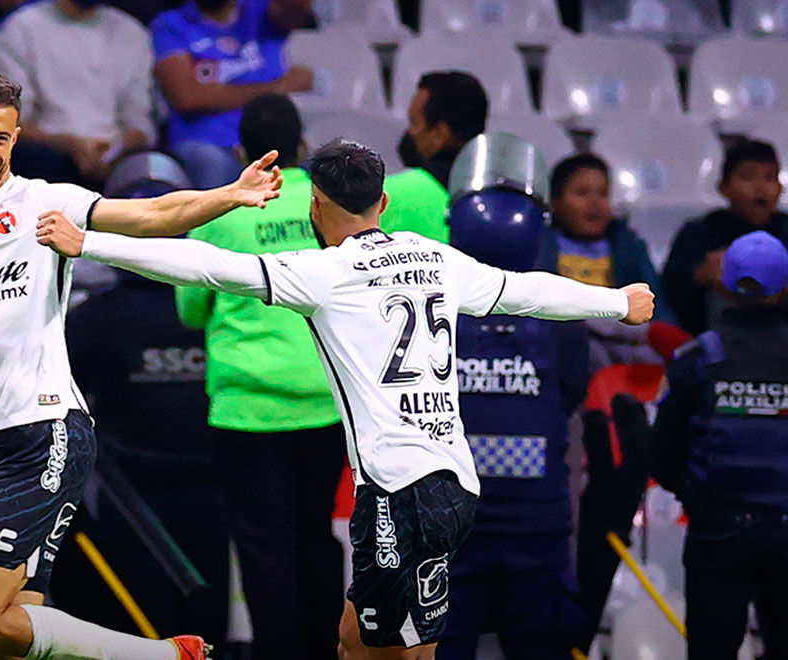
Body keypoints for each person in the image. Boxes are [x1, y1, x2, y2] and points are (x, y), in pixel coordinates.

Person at [36, 139, 655, 659]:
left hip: (396, 493)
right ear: (383, 203)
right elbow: (529, 291)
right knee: (371, 641)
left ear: (316, 205)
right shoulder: (437, 258)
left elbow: (201, 265)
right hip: (456, 486)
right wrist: (616, 302)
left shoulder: (322, 272)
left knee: (381, 649)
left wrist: (88, 242)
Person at [0, 70, 283, 660]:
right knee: (11, 628)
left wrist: (226, 195)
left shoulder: (44, 200)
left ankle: (161, 656)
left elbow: (154, 215)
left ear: (16, 138)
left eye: (0, 139)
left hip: (46, 432)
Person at [176, 94, 345, 660]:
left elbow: (190, 310)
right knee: (317, 539)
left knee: (265, 551)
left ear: (239, 151)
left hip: (248, 411)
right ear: (303, 149)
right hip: (326, 403)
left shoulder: (222, 211)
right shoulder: (331, 206)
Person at [437, 137, 591, 660]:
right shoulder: (561, 315)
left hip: (451, 523)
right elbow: (568, 396)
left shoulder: (432, 313)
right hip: (536, 525)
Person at [67, 268, 230, 651]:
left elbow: (62, 392)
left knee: (137, 617)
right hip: (210, 481)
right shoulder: (216, 306)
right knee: (208, 612)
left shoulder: (94, 316)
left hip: (127, 489)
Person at [651, 230, 788, 660]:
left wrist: (694, 493)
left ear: (723, 284)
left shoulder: (697, 358)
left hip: (717, 529)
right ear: (784, 288)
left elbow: (664, 450)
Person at [0, 0, 156, 186]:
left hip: (117, 159)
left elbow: (140, 122)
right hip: (44, 157)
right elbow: (7, 121)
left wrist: (116, 149)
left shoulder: (131, 32)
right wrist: (69, 145)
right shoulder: (22, 27)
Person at [151, 0, 314, 189]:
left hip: (273, 141)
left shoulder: (261, 12)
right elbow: (185, 97)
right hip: (207, 144)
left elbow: (299, 9)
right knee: (212, 166)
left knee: (319, 169)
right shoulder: (171, 24)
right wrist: (276, 88)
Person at [536, 153, 669, 369]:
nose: (594, 203)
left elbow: (654, 305)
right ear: (555, 202)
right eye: (581, 193)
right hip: (563, 337)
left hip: (623, 335)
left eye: (603, 194)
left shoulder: (627, 245)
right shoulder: (540, 245)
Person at [662, 139, 788, 335]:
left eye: (770, 177)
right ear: (724, 187)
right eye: (748, 177)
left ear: (780, 188)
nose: (761, 187)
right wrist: (701, 275)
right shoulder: (700, 233)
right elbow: (671, 289)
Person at [381, 71, 488, 243]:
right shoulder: (504, 204)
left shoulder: (387, 197)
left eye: (414, 123)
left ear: (440, 134)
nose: (409, 133)